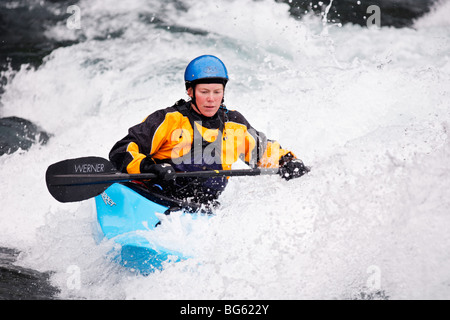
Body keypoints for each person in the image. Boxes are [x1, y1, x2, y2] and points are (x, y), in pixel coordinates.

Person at [109, 55, 309, 210]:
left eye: (217, 92)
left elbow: (263, 152)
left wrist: (287, 162)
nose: (211, 99)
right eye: (204, 92)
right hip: (155, 198)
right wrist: (149, 167)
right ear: (190, 91)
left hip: (202, 210)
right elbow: (122, 149)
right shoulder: (168, 119)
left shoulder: (234, 124)